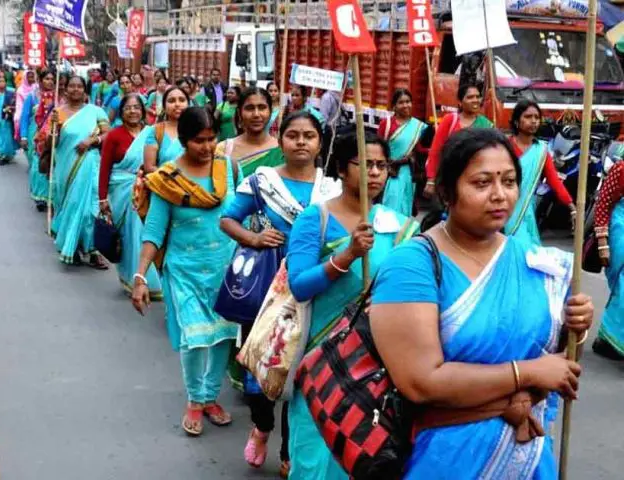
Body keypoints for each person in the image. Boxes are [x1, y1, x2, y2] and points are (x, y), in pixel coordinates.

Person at [369, 128, 593, 479]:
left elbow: (557, 358)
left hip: (528, 456)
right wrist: (530, 372)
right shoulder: (412, 265)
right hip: (444, 459)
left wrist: (574, 327)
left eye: (508, 181)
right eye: (482, 183)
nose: (499, 195)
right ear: (446, 192)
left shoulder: (536, 262)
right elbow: (421, 381)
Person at [286, 130, 418, 479]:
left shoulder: (401, 228)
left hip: (376, 372)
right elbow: (299, 286)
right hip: (322, 366)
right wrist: (346, 256)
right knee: (313, 465)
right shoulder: (316, 219)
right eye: (366, 164)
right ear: (343, 169)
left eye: (382, 165)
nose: (375, 173)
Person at [220, 110, 340, 476]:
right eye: (292, 135)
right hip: (268, 289)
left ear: (320, 143)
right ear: (281, 139)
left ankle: (289, 448)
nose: (301, 142)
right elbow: (227, 218)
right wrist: (254, 238)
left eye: (309, 135)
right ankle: (262, 426)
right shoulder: (262, 182)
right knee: (262, 371)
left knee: (301, 371)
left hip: (315, 288)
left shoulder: (332, 189)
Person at [131, 107, 241, 437]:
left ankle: (210, 397)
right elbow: (154, 231)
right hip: (184, 271)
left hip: (225, 268)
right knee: (195, 338)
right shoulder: (167, 179)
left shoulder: (226, 168)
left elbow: (241, 213)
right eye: (198, 141)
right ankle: (195, 399)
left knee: (222, 335)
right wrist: (139, 276)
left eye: (212, 139)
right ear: (183, 140)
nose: (207, 148)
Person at [42, 74, 110, 267]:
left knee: (90, 210)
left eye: (79, 86)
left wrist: (91, 141)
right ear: (65, 90)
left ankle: (93, 250)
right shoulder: (58, 113)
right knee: (70, 205)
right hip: (65, 166)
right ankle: (74, 246)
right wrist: (54, 127)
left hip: (89, 164)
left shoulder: (96, 111)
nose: (75, 90)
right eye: (71, 86)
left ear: (85, 90)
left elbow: (108, 134)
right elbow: (50, 143)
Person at [98, 93, 162, 298]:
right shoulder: (114, 136)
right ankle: (130, 278)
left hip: (147, 189)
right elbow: (105, 168)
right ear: (121, 112)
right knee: (129, 235)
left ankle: (150, 280)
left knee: (146, 232)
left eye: (136, 107)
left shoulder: (152, 133)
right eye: (128, 108)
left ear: (143, 110)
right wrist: (102, 198)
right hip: (121, 190)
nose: (132, 111)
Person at [507, 100, 575, 245]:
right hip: (503, 208)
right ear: (516, 121)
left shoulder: (541, 151)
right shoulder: (505, 146)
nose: (533, 121)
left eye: (536, 118)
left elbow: (554, 182)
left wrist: (571, 206)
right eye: (528, 117)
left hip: (526, 211)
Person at [424, 83, 493, 197]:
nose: (475, 100)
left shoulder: (487, 125)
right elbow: (436, 150)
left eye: (477, 96)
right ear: (460, 102)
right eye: (470, 97)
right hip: (450, 178)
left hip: (475, 180)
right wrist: (431, 179)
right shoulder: (450, 120)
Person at [378, 89, 429, 217]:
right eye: (401, 102)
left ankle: (402, 235)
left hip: (408, 173)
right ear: (394, 106)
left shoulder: (419, 127)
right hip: (391, 172)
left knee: (405, 206)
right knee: (390, 205)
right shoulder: (387, 124)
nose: (406, 105)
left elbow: (420, 150)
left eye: (408, 101)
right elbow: (378, 148)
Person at [593, 161, 624, 360]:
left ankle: (608, 338)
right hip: (620, 230)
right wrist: (602, 243)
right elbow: (603, 204)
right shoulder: (621, 168)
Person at [215, 87, 282, 176]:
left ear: (270, 111)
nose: (256, 114)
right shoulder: (223, 149)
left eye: (262, 108)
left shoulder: (282, 150)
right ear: (239, 113)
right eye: (249, 108)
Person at [20, 69, 56, 211]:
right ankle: (40, 197)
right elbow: (25, 117)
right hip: (35, 133)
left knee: (52, 163)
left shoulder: (58, 97)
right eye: (46, 79)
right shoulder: (32, 97)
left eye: (52, 78)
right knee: (38, 163)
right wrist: (23, 136)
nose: (50, 81)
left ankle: (52, 196)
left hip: (53, 132)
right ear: (40, 81)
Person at [142, 86, 190, 173]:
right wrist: (176, 178)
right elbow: (149, 167)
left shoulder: (197, 129)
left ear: (188, 104)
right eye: (171, 101)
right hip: (163, 183)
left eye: (182, 100)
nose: (177, 104)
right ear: (164, 106)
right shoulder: (156, 131)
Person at [0, 74, 18, 165]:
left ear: (6, 82)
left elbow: (16, 104)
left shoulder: (11, 92)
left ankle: (6, 154)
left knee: (7, 137)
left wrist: (10, 109)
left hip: (6, 118)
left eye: (3, 81)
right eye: (0, 81)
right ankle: (1, 154)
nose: (1, 83)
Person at [14, 70, 37, 143]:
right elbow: (19, 105)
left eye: (33, 77)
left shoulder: (36, 88)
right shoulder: (20, 90)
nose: (31, 79)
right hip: (26, 113)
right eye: (29, 77)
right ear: (25, 78)